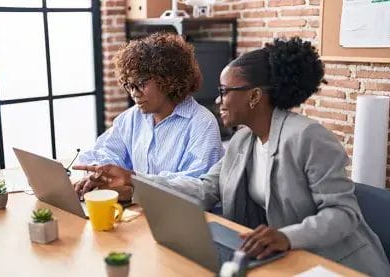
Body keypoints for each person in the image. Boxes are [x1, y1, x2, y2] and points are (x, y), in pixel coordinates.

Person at [73, 37, 390, 276]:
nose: (218, 99)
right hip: (288, 259)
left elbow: (344, 214)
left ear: (254, 96)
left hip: (338, 264)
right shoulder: (243, 142)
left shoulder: (308, 137)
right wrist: (135, 182)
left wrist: (286, 237)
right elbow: (204, 189)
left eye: (226, 91)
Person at [73, 32, 224, 200]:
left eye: (140, 84)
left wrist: (133, 180)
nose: (133, 93)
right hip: (139, 211)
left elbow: (197, 189)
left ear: (168, 80)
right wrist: (98, 174)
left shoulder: (202, 124)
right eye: (128, 85)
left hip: (179, 216)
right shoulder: (131, 118)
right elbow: (104, 152)